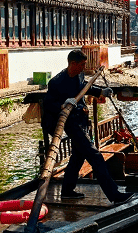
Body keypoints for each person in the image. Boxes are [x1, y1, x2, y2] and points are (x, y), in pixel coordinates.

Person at [42, 49, 130, 203]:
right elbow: (48, 104)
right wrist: (62, 105)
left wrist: (101, 91)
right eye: (82, 64)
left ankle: (67, 191)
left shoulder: (80, 75)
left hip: (81, 121)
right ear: (72, 63)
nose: (84, 68)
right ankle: (114, 194)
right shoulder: (56, 82)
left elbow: (84, 87)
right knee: (94, 155)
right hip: (70, 123)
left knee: (78, 156)